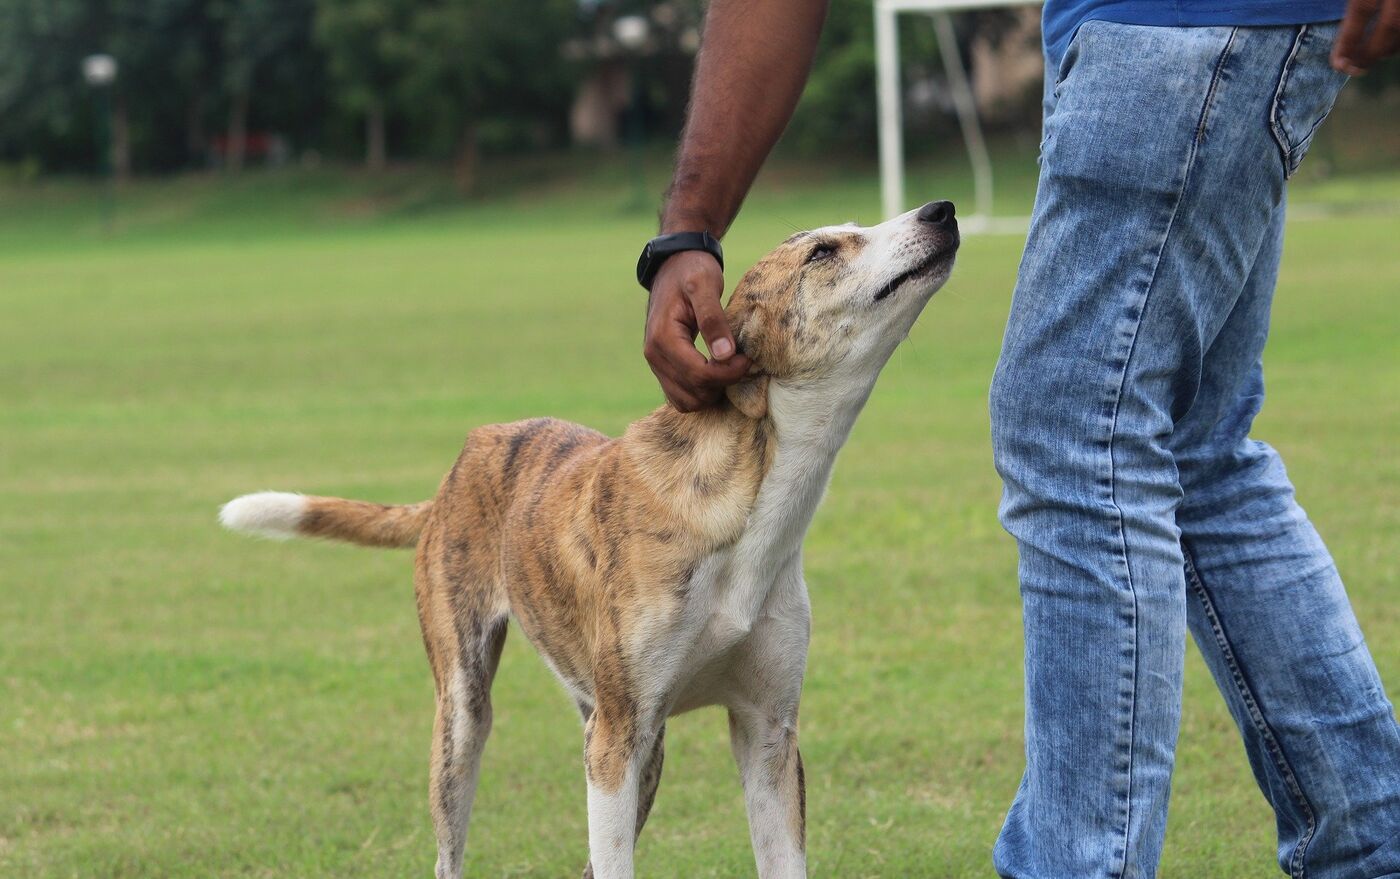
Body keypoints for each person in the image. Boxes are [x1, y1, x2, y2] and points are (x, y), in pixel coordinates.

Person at [636, 0, 1400, 876]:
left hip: (1174, 34)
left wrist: (690, 221)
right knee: (1196, 455)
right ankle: (1374, 846)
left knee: (1076, 433)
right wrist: (689, 226)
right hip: (1200, 39)